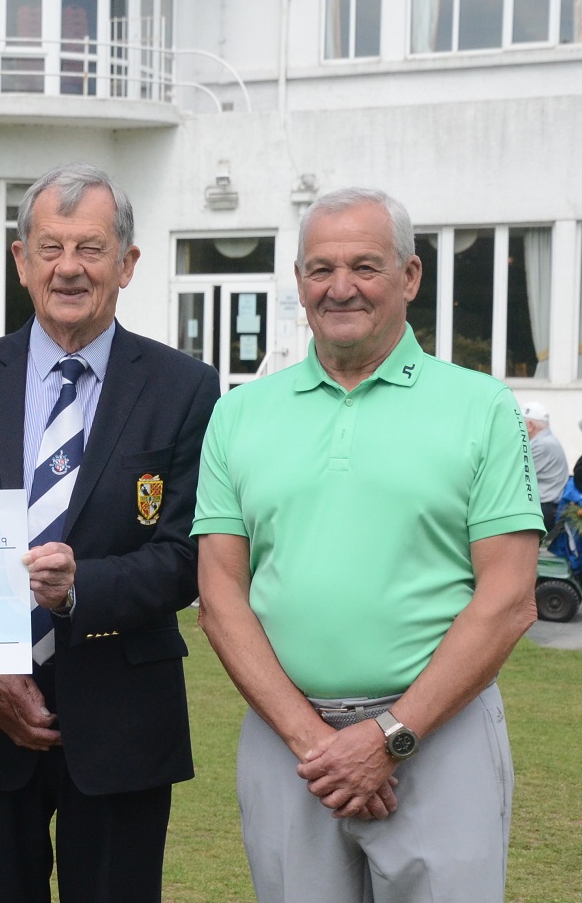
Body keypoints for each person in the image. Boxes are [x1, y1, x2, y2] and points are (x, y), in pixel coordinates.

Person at [193, 187, 541, 902]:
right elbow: (219, 596)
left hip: (440, 740)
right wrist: (315, 744)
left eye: (364, 266)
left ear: (408, 277)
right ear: (297, 282)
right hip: (287, 744)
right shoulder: (238, 415)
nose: (339, 287)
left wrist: (388, 738)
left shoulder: (480, 409)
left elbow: (507, 599)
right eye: (319, 269)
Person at [0, 164, 219, 902]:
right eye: (49, 248)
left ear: (126, 263)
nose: (68, 268)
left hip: (122, 724)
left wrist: (83, 587)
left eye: (90, 248)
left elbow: (187, 556)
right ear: (19, 260)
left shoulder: (184, 388)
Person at [522, 401, 566, 528]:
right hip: (544, 506)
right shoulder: (545, 441)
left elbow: (517, 474)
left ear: (530, 425)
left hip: (543, 508)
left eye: (520, 423)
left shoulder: (542, 445)